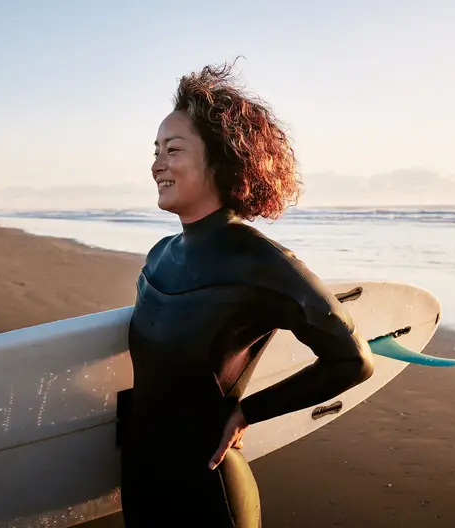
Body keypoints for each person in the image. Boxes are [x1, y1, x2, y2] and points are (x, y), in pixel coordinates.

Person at [118, 62, 375, 527]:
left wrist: (248, 410)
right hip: (141, 481)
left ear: (220, 159)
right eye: (155, 150)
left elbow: (352, 360)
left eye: (172, 150)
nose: (157, 164)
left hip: (207, 488)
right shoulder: (158, 256)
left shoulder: (264, 264)